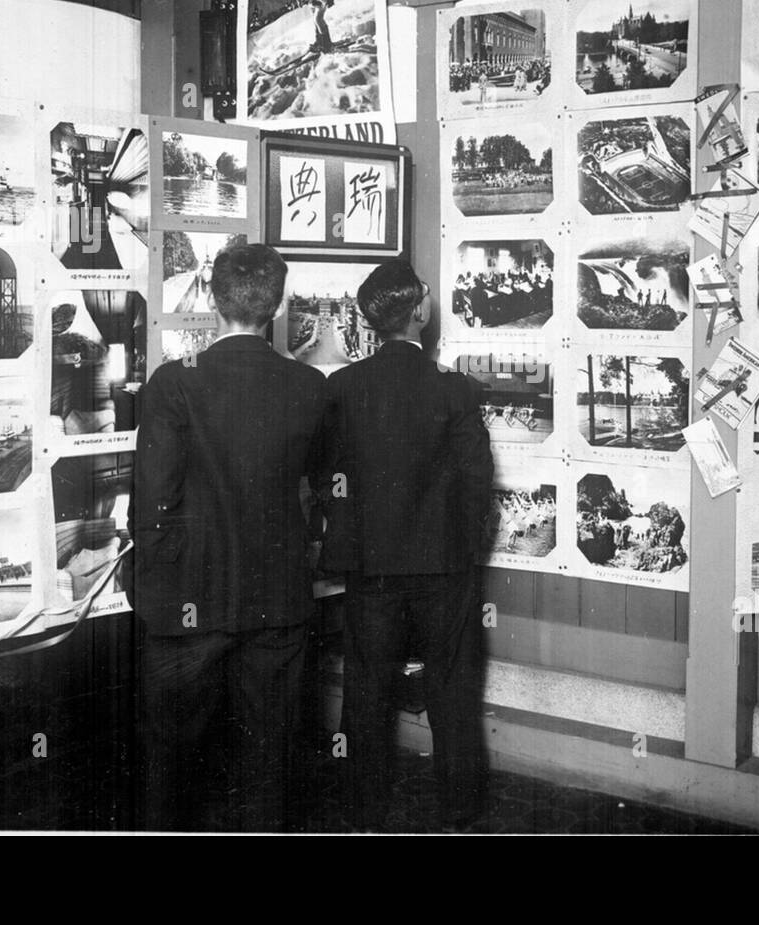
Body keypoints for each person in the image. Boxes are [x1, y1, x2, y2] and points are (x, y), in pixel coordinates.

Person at [130, 243, 326, 832]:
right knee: (271, 755)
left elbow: (153, 499)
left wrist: (158, 584)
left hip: (189, 600)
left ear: (212, 299)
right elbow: (309, 492)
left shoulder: (173, 384)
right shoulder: (309, 385)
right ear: (279, 303)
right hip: (277, 598)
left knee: (172, 759)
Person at [319, 259, 493, 831]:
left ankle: (360, 810)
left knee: (366, 694)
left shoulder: (342, 388)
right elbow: (475, 484)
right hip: (446, 570)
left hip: (371, 569)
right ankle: (461, 814)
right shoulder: (457, 391)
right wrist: (465, 556)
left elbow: (328, 478)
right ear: (419, 311)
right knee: (452, 694)